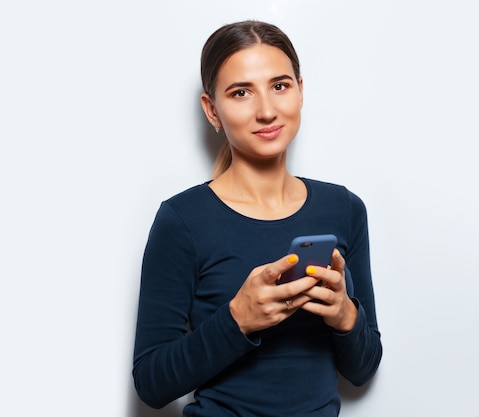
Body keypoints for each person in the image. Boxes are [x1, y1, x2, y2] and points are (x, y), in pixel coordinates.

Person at [132, 20, 382, 416]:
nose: (267, 110)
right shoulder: (182, 220)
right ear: (212, 110)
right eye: (241, 92)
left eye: (280, 86)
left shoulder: (344, 208)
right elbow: (150, 383)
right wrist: (238, 320)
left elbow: (363, 370)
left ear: (301, 91)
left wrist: (344, 315)